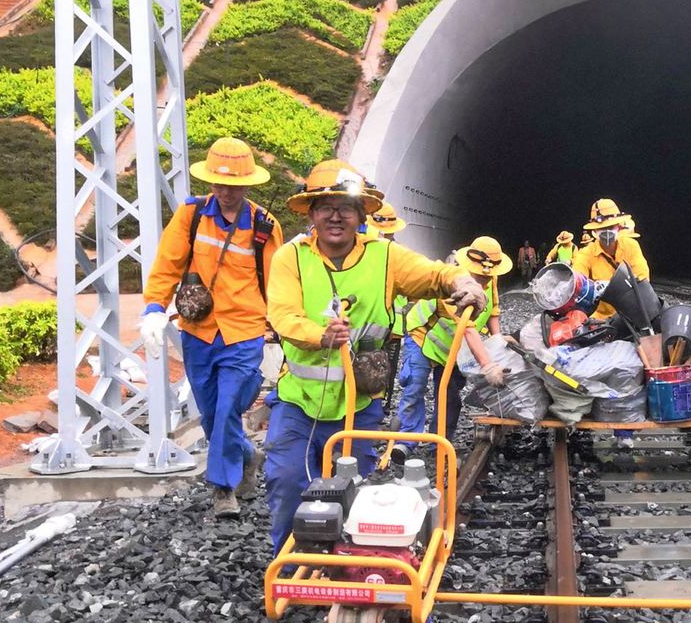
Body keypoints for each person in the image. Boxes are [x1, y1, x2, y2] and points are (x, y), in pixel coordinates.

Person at [263, 160, 486, 552]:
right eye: (325, 206)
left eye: (345, 207)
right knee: (287, 482)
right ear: (312, 213)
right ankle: (293, 562)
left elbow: (435, 275)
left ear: (361, 214)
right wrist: (321, 335)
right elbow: (281, 315)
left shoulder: (385, 256)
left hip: (360, 401)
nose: (335, 215)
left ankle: (350, 566)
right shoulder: (290, 257)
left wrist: (462, 280)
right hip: (298, 401)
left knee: (356, 490)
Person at [139, 137, 284, 518]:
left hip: (244, 332)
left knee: (225, 411)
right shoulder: (191, 216)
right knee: (209, 411)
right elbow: (168, 264)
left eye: (234, 186)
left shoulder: (265, 226)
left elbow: (279, 282)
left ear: (248, 185)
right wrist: (154, 307)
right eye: (220, 185)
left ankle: (223, 489)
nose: (226, 192)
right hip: (198, 330)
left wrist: (282, 326)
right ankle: (248, 455)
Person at [394, 236, 510, 463]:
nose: (484, 281)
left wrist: (498, 340)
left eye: (488, 276)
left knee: (449, 396)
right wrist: (488, 366)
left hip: (453, 349)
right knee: (414, 387)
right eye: (480, 275)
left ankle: (439, 445)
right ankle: (405, 441)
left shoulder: (490, 279)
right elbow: (467, 328)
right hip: (424, 337)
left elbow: (493, 310)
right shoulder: (454, 285)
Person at [571, 198, 649, 320]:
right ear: (594, 231)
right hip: (599, 319)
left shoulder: (631, 246)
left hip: (631, 315)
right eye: (602, 228)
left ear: (618, 226)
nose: (607, 232)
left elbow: (643, 279)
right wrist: (593, 288)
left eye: (611, 226)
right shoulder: (585, 254)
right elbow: (577, 283)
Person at [366, 202, 410, 399]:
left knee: (383, 369)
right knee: (378, 368)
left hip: (388, 327)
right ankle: (376, 405)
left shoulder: (398, 255)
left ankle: (379, 405)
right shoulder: (363, 251)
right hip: (383, 326)